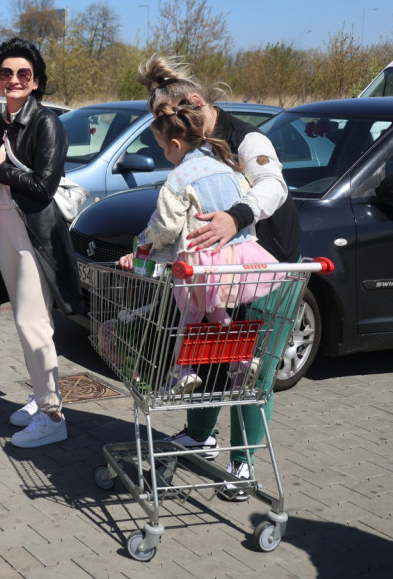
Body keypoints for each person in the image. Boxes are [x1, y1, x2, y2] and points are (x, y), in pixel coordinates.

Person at [136, 55, 301, 501]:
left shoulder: (246, 138)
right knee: (207, 354)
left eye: (168, 116)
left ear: (194, 101)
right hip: (215, 271)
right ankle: (199, 434)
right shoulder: (195, 149)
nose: (167, 128)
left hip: (263, 265)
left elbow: (273, 185)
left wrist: (237, 216)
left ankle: (242, 460)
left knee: (249, 371)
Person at [116, 100, 285, 394]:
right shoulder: (227, 167)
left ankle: (182, 370)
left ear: (176, 144)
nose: (165, 154)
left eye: (163, 148)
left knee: (190, 313)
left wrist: (145, 240)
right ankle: (241, 359)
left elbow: (167, 226)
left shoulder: (178, 177)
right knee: (214, 310)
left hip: (197, 257)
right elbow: (244, 199)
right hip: (233, 254)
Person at [0, 37, 83, 448]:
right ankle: (41, 396)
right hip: (2, 223)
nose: (14, 79)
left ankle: (52, 415)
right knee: (24, 321)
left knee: (33, 321)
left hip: (33, 230)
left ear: (36, 80)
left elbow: (44, 187)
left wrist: (2, 168)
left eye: (23, 73)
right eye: (6, 73)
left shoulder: (46, 123)